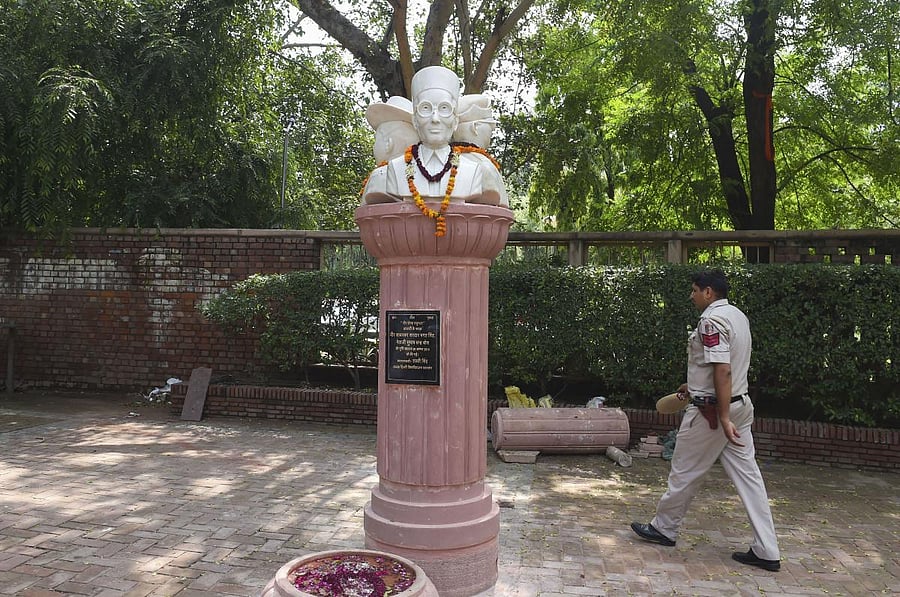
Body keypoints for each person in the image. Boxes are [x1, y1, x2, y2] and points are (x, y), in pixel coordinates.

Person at [630, 269, 781, 572]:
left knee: (684, 471)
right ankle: (767, 549)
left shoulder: (710, 320)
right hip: (740, 405)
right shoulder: (738, 316)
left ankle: (664, 528)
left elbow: (722, 369)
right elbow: (723, 366)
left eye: (695, 290)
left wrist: (722, 416)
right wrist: (696, 385)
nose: (692, 295)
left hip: (712, 414)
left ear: (708, 292)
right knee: (750, 479)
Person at [364, 66, 506, 208]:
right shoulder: (389, 174)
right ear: (415, 121)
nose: (435, 118)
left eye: (444, 108)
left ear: (455, 121)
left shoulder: (479, 173)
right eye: (425, 108)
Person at [361, 96, 419, 204]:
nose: (373, 147)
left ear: (389, 143)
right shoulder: (423, 175)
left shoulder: (381, 176)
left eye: (376, 140)